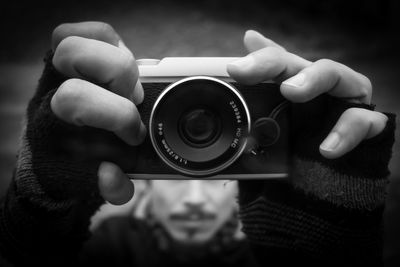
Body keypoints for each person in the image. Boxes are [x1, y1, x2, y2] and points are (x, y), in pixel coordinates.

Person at [0, 21, 396, 266]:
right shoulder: (112, 243)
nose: (194, 196)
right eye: (179, 173)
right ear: (150, 200)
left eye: (217, 175)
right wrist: (37, 218)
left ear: (239, 193)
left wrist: (329, 246)